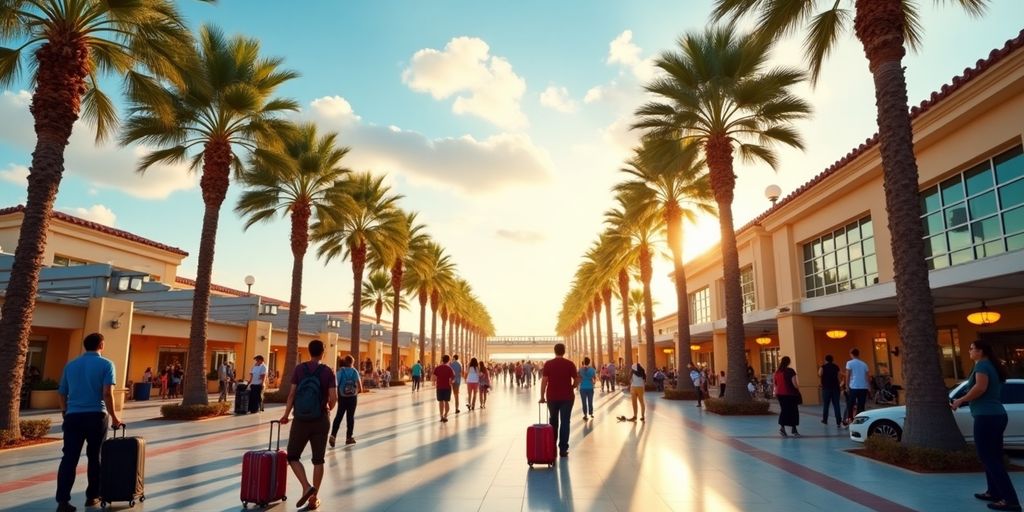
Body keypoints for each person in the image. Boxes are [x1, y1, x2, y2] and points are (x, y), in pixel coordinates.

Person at [55, 333, 124, 512]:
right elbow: (107, 393)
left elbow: (62, 392)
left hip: (73, 417)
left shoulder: (71, 365)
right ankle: (92, 496)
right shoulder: (107, 364)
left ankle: (63, 501)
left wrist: (65, 412)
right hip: (96, 416)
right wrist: (115, 417)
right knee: (95, 457)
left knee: (69, 458)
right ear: (101, 344)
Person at [952, 341, 1021, 512]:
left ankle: (1011, 501)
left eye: (971, 348)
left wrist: (961, 400)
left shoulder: (982, 365)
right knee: (993, 457)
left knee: (989, 457)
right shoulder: (990, 365)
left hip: (987, 417)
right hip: (996, 415)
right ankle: (994, 492)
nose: (969, 351)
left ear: (981, 351)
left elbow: (980, 387)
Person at [279, 340, 337, 511]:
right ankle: (314, 498)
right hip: (320, 420)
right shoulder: (328, 372)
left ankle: (305, 486)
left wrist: (285, 415)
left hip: (300, 421)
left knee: (293, 456)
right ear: (323, 352)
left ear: (309, 351)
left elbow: (291, 395)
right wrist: (328, 408)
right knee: (318, 460)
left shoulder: (299, 369)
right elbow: (334, 398)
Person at [539, 343, 579, 457]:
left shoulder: (548, 364)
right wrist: (572, 386)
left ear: (554, 351)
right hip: (567, 397)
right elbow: (576, 379)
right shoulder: (570, 364)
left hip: (552, 397)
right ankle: (563, 449)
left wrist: (542, 397)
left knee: (553, 422)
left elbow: (544, 381)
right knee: (565, 422)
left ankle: (552, 447)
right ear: (564, 351)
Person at [330, 355, 362, 447]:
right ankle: (349, 438)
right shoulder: (355, 371)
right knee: (350, 417)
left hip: (342, 397)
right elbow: (360, 387)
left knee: (339, 416)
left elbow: (335, 384)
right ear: (352, 363)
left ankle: (333, 435)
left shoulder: (340, 371)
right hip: (352, 398)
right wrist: (355, 392)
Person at [774, 356, 801, 437]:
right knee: (793, 411)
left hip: (780, 394)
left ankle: (782, 428)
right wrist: (798, 388)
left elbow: (775, 384)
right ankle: (794, 430)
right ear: (789, 362)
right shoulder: (790, 371)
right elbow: (794, 384)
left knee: (784, 410)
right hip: (790, 394)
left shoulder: (777, 372)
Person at [845, 348, 870, 424]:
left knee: (851, 403)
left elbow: (848, 375)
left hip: (854, 386)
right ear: (858, 354)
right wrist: (869, 387)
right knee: (861, 404)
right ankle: (860, 419)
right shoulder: (864, 364)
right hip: (863, 387)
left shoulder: (849, 363)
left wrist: (846, 385)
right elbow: (867, 376)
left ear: (851, 354)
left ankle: (850, 418)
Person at [819, 355, 842, 426]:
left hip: (826, 388)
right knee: (836, 405)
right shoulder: (836, 367)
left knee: (826, 405)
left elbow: (819, 374)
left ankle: (825, 420)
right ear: (832, 360)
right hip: (835, 388)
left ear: (825, 360)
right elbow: (839, 377)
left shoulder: (823, 367)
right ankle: (838, 421)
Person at [433, 355, 455, 422]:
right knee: (446, 402)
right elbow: (453, 379)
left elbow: (433, 378)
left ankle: (441, 416)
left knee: (440, 402)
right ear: (448, 360)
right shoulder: (450, 369)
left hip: (439, 387)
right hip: (447, 387)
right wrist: (451, 382)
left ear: (442, 360)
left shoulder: (437, 368)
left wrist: (435, 382)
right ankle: (445, 415)